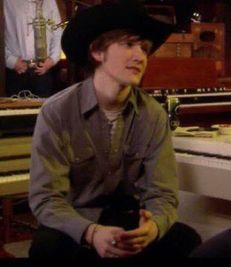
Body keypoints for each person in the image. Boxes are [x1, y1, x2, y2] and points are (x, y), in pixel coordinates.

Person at [28, 1, 202, 264]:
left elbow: (163, 193)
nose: (140, 56)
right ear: (97, 51)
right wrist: (91, 233)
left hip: (127, 221)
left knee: (186, 240)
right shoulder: (57, 112)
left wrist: (152, 227)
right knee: (47, 248)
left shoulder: (153, 115)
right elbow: (46, 199)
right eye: (129, 44)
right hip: (75, 224)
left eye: (144, 48)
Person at [4, 0, 62, 97]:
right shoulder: (6, 2)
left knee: (42, 110)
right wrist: (10, 60)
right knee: (17, 111)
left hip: (43, 70)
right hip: (16, 71)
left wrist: (52, 60)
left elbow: (57, 31)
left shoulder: (50, 2)